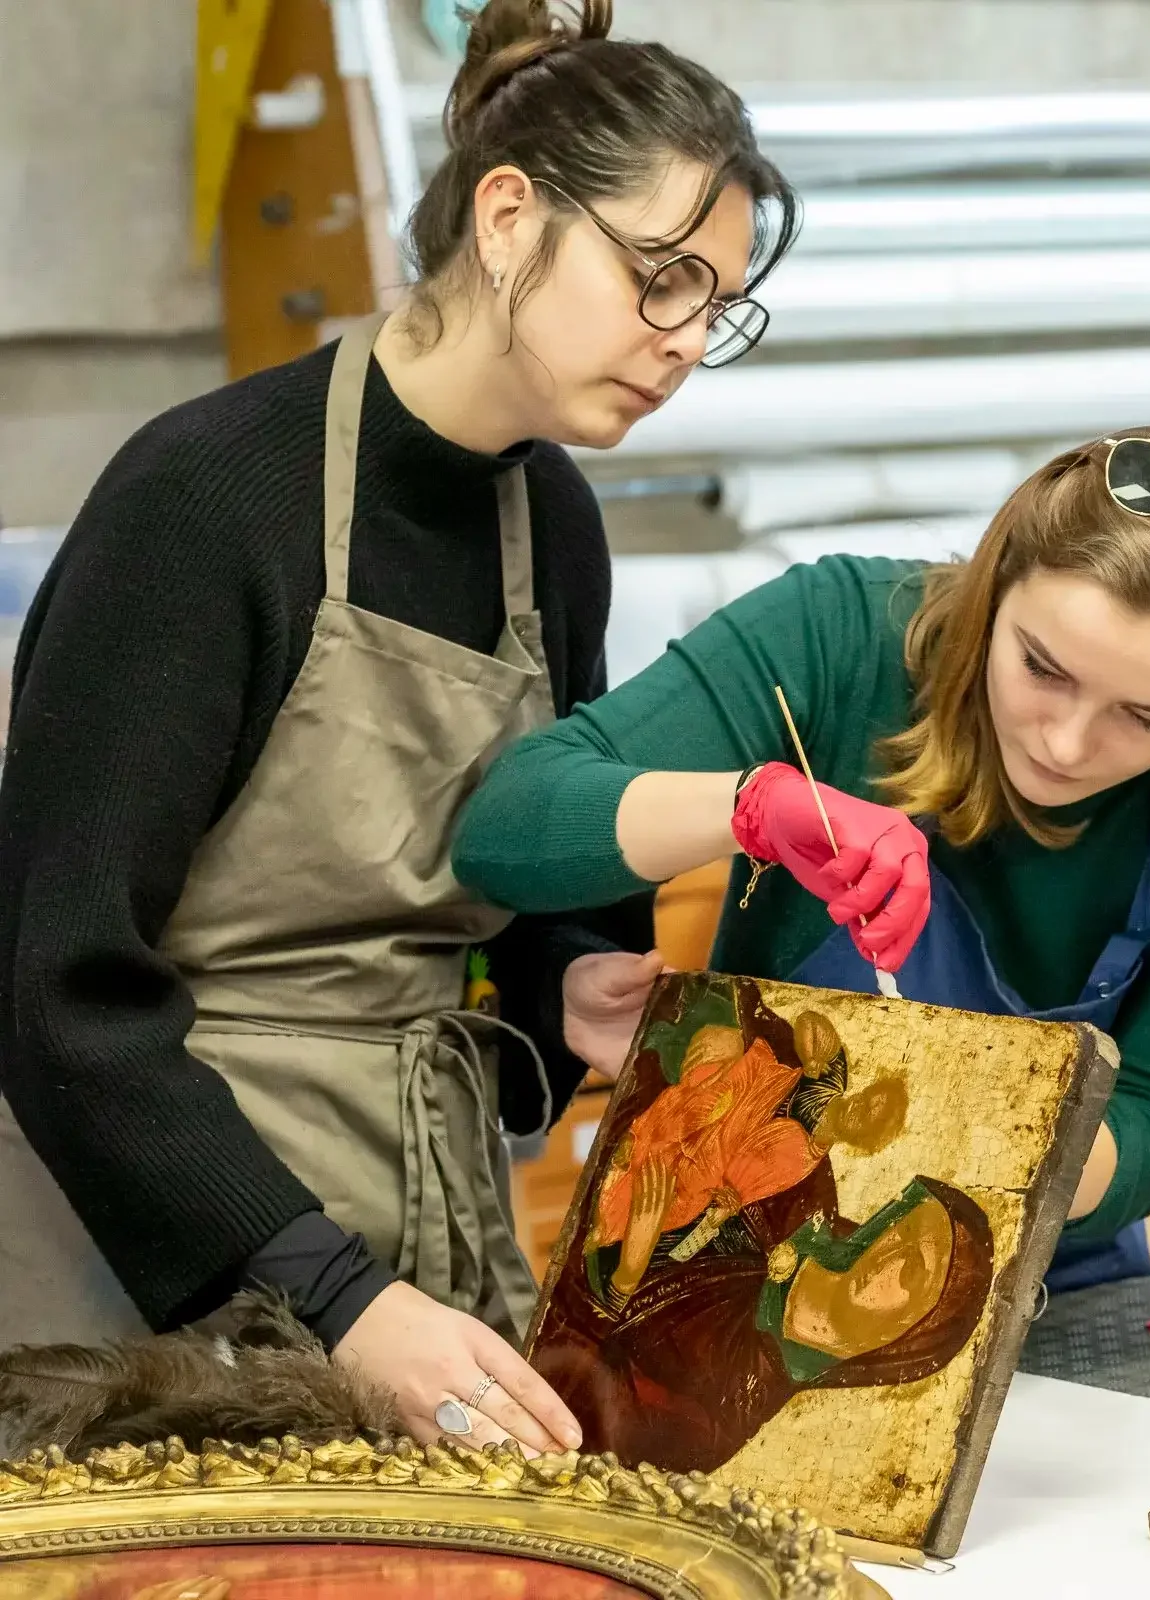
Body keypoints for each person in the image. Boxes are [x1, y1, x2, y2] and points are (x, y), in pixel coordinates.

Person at [0, 0, 795, 1452]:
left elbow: (529, 873)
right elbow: (59, 988)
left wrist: (562, 986)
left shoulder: (550, 521)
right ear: (508, 218)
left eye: (716, 308)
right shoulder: (208, 503)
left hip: (417, 1245)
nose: (683, 343)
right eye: (659, 280)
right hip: (143, 1274)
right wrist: (339, 1298)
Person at [452, 428, 1150, 1290]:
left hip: (1044, 1284)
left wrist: (956, 1142)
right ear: (994, 587)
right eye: (1043, 668)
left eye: (1148, 719)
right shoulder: (839, 633)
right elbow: (504, 831)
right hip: (738, 1254)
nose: (1070, 744)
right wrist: (749, 807)